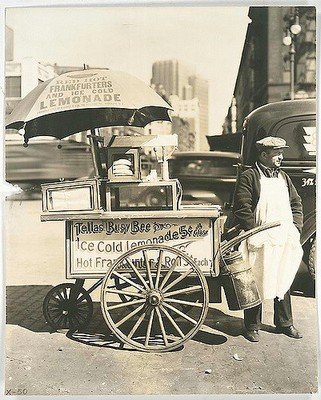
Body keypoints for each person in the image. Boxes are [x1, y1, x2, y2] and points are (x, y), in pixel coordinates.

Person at [233, 136, 303, 342]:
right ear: (264, 155)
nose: (281, 157)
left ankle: (284, 323)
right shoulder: (249, 176)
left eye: (281, 153)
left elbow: (296, 203)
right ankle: (252, 326)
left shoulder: (284, 178)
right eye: (277, 154)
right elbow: (242, 207)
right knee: (255, 279)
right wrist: (254, 231)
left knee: (283, 276)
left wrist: (296, 228)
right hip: (259, 239)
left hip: (283, 237)